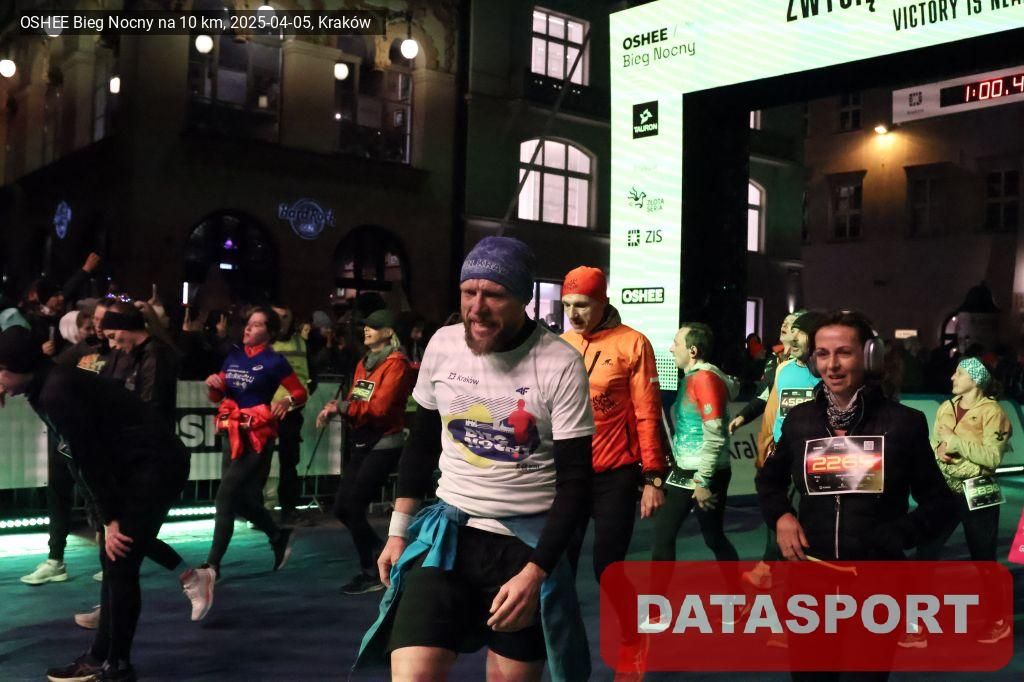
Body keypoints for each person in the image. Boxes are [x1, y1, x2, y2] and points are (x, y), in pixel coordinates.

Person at [354, 236, 595, 682]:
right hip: (448, 535)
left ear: (523, 298)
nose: (477, 308)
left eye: (494, 295)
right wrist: (397, 532)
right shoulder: (443, 346)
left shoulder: (559, 363)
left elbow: (576, 483)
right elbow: (421, 445)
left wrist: (537, 572)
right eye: (469, 292)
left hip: (523, 546)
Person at [756, 310, 958, 681]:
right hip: (810, 584)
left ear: (869, 357)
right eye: (822, 354)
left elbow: (941, 503)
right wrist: (781, 516)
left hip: (876, 586)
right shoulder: (801, 421)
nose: (832, 365)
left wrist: (898, 535)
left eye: (844, 353)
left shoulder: (903, 423)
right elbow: (768, 481)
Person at [0, 326, 191, 682]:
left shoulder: (55, 390)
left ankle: (118, 667)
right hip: (134, 465)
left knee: (120, 559)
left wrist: (110, 518)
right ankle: (101, 656)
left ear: (19, 366)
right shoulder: (44, 385)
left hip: (155, 466)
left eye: (0, 371)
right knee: (113, 558)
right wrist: (104, 517)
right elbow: (78, 457)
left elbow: (89, 459)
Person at [189, 306, 308, 618]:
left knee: (224, 497)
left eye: (256, 325)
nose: (248, 328)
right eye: (248, 323)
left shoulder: (274, 361)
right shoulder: (234, 356)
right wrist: (214, 386)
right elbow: (218, 397)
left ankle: (212, 566)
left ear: (270, 331)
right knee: (238, 501)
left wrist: (287, 400)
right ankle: (278, 535)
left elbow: (300, 392)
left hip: (257, 438)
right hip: (231, 434)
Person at [559, 266, 668, 581]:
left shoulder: (633, 343)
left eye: (582, 305)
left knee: (607, 570)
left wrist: (653, 478)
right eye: (567, 305)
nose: (573, 314)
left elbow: (647, 413)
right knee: (557, 567)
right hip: (569, 471)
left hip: (615, 474)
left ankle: (625, 617)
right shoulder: (561, 343)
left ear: (602, 302)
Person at [902, 357, 1012, 647]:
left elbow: (992, 457)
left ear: (975, 380)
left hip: (979, 491)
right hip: (944, 492)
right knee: (925, 554)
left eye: (959, 373)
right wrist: (940, 451)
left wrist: (956, 443)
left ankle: (997, 621)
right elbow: (937, 445)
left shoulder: (994, 412)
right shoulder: (946, 408)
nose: (953, 377)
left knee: (984, 560)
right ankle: (917, 627)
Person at [316, 308, 415, 594]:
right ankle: (383, 556)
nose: (367, 329)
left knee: (352, 506)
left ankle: (371, 570)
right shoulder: (364, 362)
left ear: (388, 332)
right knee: (342, 508)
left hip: (384, 443)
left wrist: (342, 408)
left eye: (374, 326)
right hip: (362, 441)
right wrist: (338, 409)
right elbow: (357, 399)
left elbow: (379, 408)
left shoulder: (397, 364)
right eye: (366, 325)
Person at [742, 311, 825, 591]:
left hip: (813, 462)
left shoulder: (825, 373)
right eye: (791, 331)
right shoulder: (783, 369)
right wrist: (764, 446)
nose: (792, 338)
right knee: (778, 519)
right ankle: (772, 575)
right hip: (782, 457)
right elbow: (772, 411)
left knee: (804, 531)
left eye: (799, 332)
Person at [652, 322, 740, 562]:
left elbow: (715, 436)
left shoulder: (705, 380)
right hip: (685, 469)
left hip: (705, 472)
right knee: (664, 533)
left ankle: (735, 585)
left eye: (676, 344)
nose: (671, 349)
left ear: (692, 351)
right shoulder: (691, 378)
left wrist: (703, 481)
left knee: (713, 537)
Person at [270, 303, 314, 525]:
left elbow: (310, 374)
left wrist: (301, 396)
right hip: (265, 411)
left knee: (289, 462)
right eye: (277, 316)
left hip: (292, 410)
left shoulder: (301, 343)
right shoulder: (264, 343)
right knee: (258, 463)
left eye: (285, 316)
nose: (281, 321)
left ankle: (288, 510)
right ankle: (257, 511)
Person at [729, 311, 802, 435]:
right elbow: (764, 395)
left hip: (798, 430)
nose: (784, 325)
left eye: (790, 323)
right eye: (784, 322)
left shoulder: (805, 361)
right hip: (774, 432)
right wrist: (743, 416)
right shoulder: (773, 359)